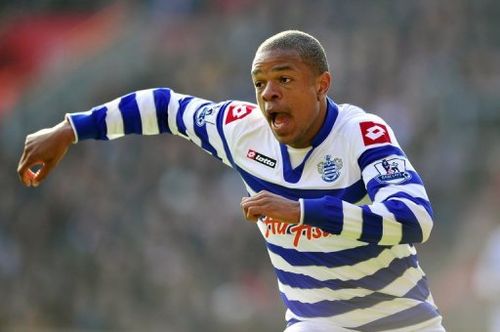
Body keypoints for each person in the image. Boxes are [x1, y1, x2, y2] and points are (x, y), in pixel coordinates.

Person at [17, 30, 445, 331]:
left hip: (403, 319)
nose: (269, 93)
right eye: (260, 83)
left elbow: (414, 219)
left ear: (321, 85)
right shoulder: (241, 129)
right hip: (318, 321)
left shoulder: (361, 133)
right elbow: (165, 107)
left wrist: (301, 211)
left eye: (284, 79)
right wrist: (71, 129)